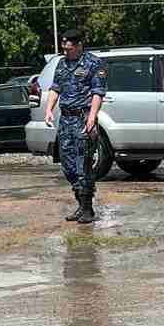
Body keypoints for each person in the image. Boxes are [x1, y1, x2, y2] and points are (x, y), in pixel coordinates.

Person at [44, 28, 107, 223]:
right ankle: (80, 204)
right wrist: (49, 109)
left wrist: (92, 117)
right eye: (64, 48)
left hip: (83, 118)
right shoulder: (62, 64)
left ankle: (88, 208)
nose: (66, 51)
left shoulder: (93, 63)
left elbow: (98, 92)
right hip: (66, 120)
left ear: (79, 45)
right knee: (68, 164)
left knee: (84, 164)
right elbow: (56, 88)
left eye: (70, 48)